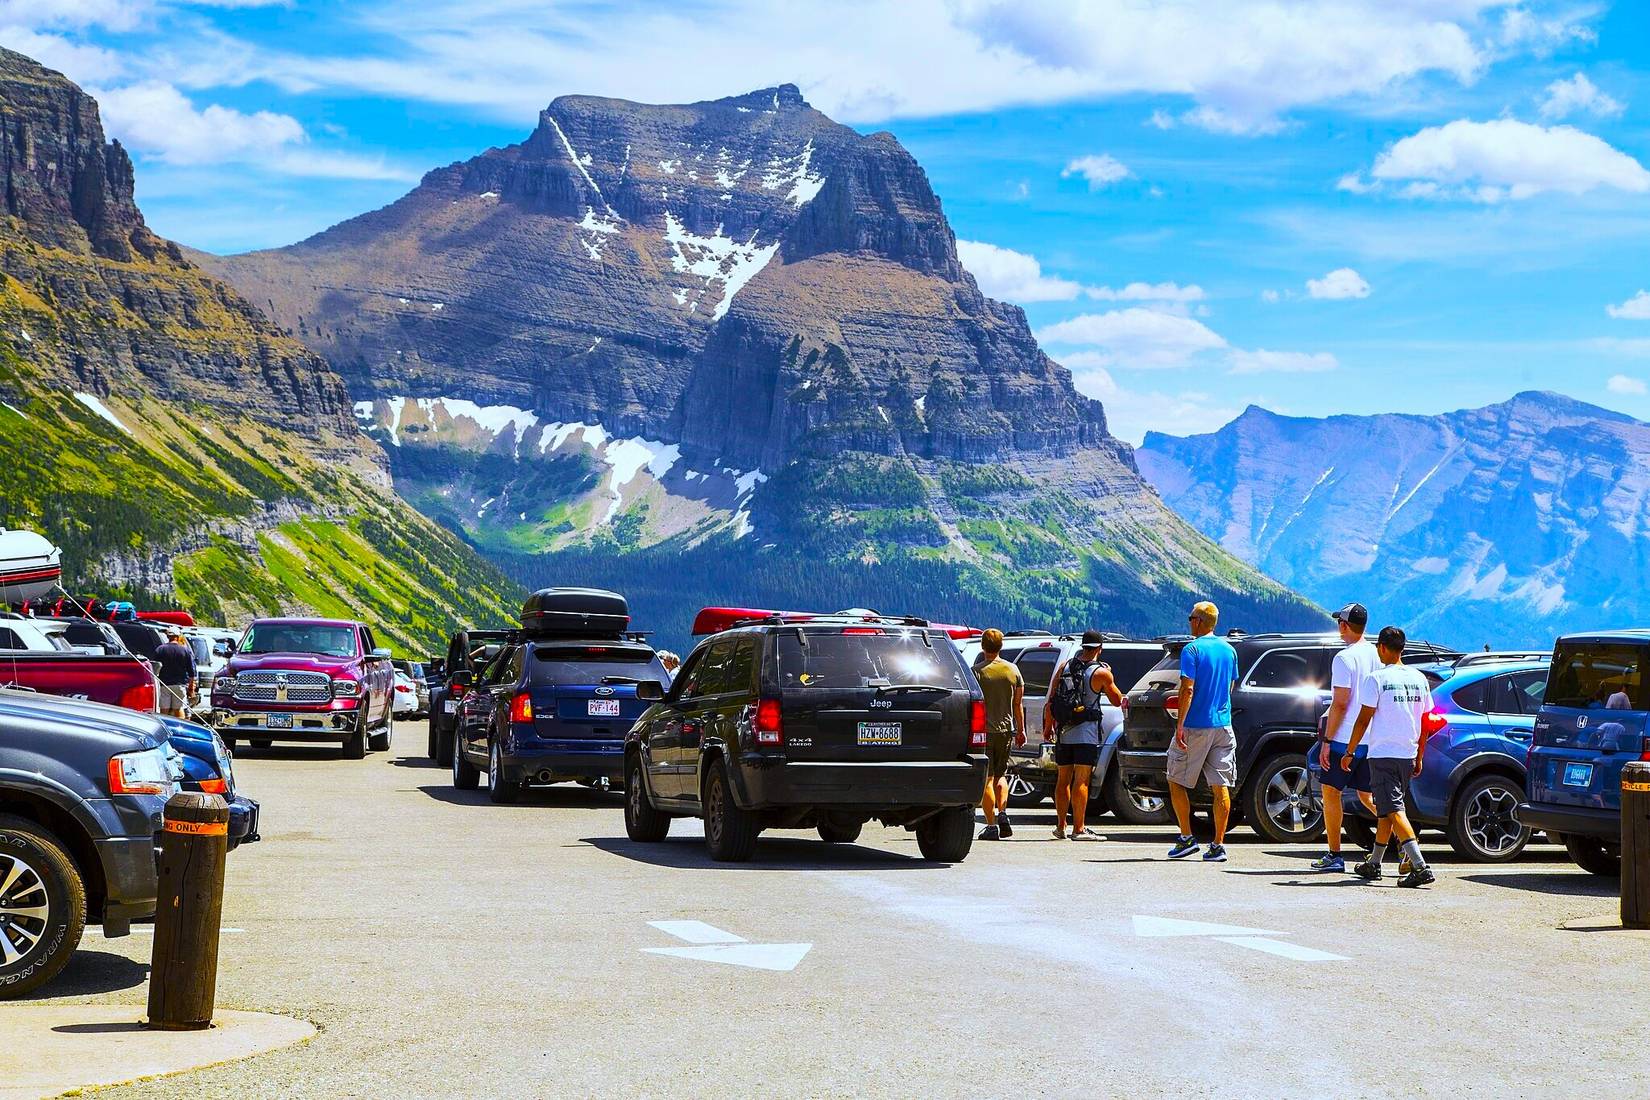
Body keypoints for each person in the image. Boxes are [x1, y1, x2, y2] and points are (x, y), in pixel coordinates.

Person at [1342, 625, 1437, 888]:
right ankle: (1374, 863)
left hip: (1383, 752)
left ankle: (1419, 865)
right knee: (1386, 809)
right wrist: (1419, 755)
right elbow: (1425, 721)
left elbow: (1363, 719)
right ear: (1403, 649)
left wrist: (1350, 751)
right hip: (1407, 753)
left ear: (1382, 647)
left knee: (1393, 809)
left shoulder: (1376, 679)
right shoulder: (1419, 678)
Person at [1312, 603, 1382, 873]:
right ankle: (1404, 841)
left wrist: (1327, 741)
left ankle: (1334, 854)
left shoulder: (1343, 658)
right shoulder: (1377, 654)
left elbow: (1341, 703)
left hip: (1344, 738)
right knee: (1368, 796)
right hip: (1371, 737)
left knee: (1331, 793)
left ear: (1343, 625)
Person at [1166, 602, 1238, 863]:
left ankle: (1186, 837)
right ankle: (1218, 845)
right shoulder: (1230, 650)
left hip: (1197, 725)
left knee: (1175, 779)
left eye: (1190, 618)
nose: (1189, 622)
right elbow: (1230, 686)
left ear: (1198, 621)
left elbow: (1187, 689)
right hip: (1223, 725)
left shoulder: (1192, 649)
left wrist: (1180, 724)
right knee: (1221, 786)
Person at [1043, 630, 1123, 841]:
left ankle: (1061, 826)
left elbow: (1051, 700)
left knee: (1063, 780)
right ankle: (1079, 828)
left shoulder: (1064, 667)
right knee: (1082, 780)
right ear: (1099, 648)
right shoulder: (1101, 673)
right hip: (1086, 733)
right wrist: (1110, 674)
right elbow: (1117, 700)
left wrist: (1049, 726)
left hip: (1064, 731)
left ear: (1082, 646)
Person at [974, 629, 1026, 840]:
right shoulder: (1012, 671)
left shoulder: (976, 672)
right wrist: (1021, 730)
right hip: (1006, 730)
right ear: (1000, 646)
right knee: (1001, 775)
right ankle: (1003, 812)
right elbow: (1018, 704)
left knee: (987, 779)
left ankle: (991, 824)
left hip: (984, 731)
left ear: (982, 646)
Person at [154, 630, 197, 718]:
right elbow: (191, 671)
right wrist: (191, 685)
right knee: (179, 709)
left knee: (164, 709)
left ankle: (164, 728)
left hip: (164, 684)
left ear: (168, 637)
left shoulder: (160, 649)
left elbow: (155, 666)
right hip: (179, 685)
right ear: (178, 636)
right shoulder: (185, 650)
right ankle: (181, 728)